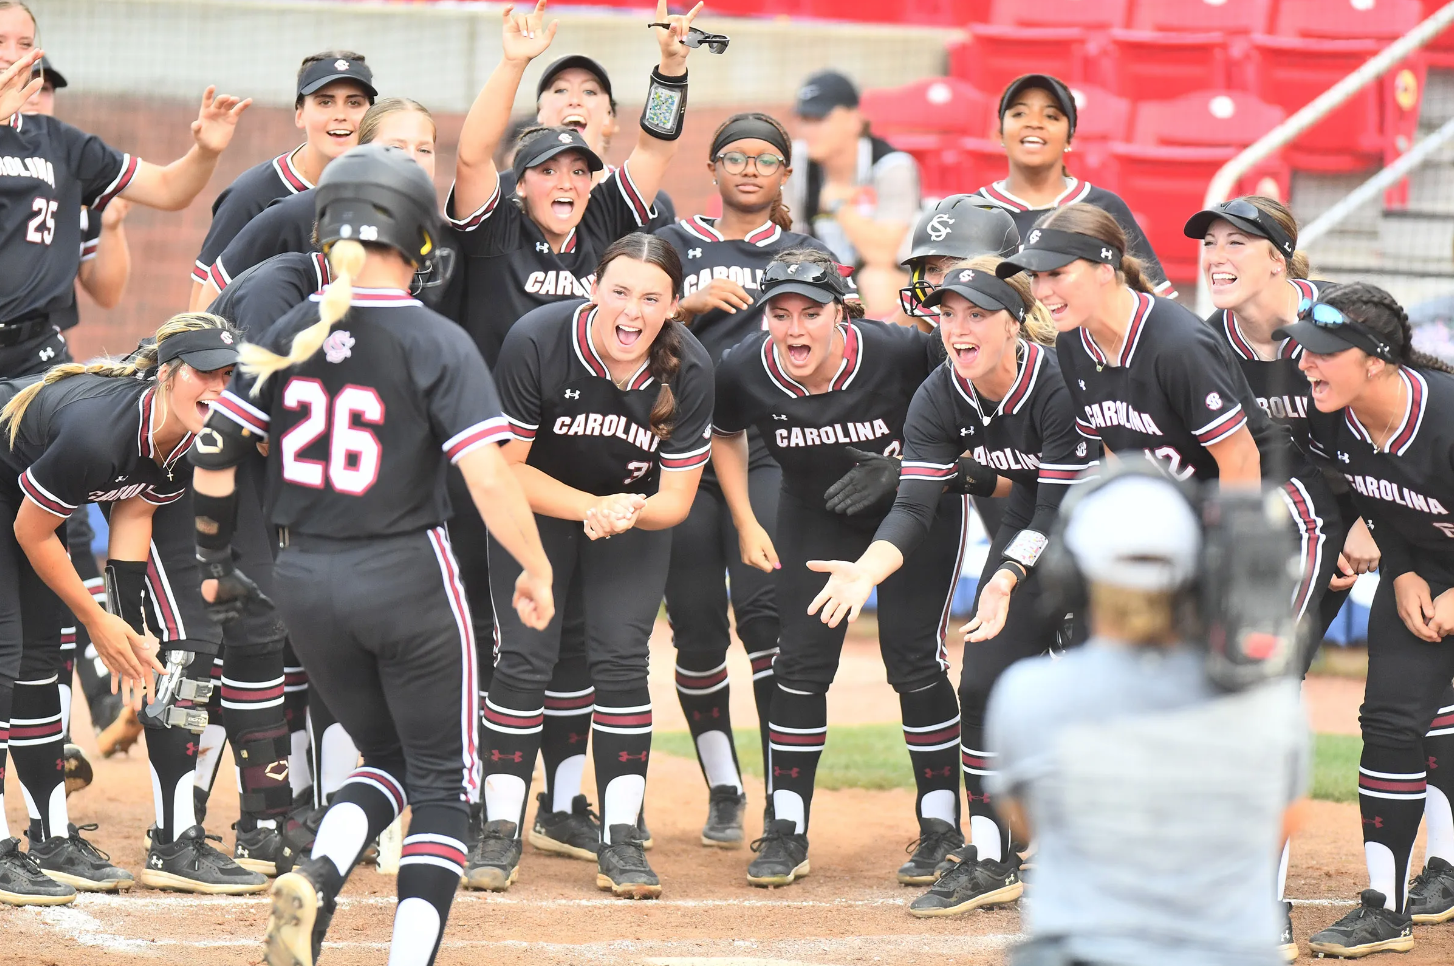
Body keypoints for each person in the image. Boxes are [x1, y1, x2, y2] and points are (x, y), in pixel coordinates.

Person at [194, 143, 553, 966]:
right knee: (443, 789)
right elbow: (490, 478)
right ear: (419, 238)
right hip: (405, 573)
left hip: (304, 580)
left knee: (387, 756)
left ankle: (318, 879)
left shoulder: (291, 328)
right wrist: (533, 565)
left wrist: (217, 560)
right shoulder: (436, 338)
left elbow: (214, 449)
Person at [806, 257, 1092, 912]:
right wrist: (868, 570)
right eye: (947, 313)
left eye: (977, 314)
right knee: (984, 683)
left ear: (1015, 324)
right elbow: (912, 507)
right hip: (1031, 525)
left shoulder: (1057, 383)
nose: (958, 328)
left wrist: (1008, 574)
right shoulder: (939, 393)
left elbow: (1060, 506)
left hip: (1099, 528)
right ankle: (994, 860)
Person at [711, 247, 963, 888]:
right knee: (799, 663)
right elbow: (725, 432)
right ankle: (785, 828)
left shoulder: (901, 351)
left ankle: (941, 828)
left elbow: (967, 424)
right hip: (814, 515)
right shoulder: (742, 367)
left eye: (812, 313)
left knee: (912, 659)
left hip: (911, 512)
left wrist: (904, 471)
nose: (796, 330)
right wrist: (745, 518)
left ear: (842, 312)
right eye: (780, 314)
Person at [470, 233, 711, 900]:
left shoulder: (689, 367)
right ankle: (497, 830)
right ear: (593, 290)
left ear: (672, 305)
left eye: (652, 298)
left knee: (621, 658)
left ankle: (623, 836)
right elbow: (506, 472)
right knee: (523, 656)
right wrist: (590, 507)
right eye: (620, 292)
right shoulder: (538, 339)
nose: (632, 312)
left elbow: (676, 500)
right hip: (539, 509)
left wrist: (616, 513)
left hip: (632, 517)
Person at [986, 468, 1307, 966]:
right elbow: (1283, 821)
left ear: (1069, 574)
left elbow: (1029, 822)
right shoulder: (1273, 703)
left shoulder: (1029, 696)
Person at [0, 312, 269, 903]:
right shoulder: (101, 431)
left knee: (43, 660)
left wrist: (128, 622)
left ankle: (51, 841)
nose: (221, 386)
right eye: (206, 373)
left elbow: (134, 512)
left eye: (230, 374)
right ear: (169, 376)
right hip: (14, 506)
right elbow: (32, 530)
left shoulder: (183, 435)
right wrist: (97, 620)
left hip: (31, 509)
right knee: (10, 654)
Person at [652, 110, 832, 847]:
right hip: (681, 454)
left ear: (786, 173)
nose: (751, 168)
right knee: (694, 630)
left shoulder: (805, 252)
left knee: (766, 620)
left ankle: (779, 795)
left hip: (766, 453)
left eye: (766, 158)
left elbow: (832, 350)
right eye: (735, 156)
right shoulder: (673, 245)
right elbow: (625, 333)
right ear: (713, 166)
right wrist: (683, 309)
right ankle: (723, 784)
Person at [1282, 284, 1454, 957]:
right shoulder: (1330, 418)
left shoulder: (1444, 419)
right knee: (1389, 720)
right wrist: (1407, 570)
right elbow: (1379, 502)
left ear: (1376, 360)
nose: (1306, 364)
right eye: (1303, 350)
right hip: (1423, 571)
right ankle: (1386, 907)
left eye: (1323, 353)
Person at [0, 10, 249, 376]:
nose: (12, 54)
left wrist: (205, 151)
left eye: (25, 43)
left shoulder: (60, 143)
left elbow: (168, 189)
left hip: (35, 355)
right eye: (0, 42)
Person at [1188, 196, 1375, 653]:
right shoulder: (1206, 344)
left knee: (1404, 690)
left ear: (1277, 258)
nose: (1217, 257)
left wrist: (1371, 523)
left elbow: (1400, 425)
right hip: (1292, 511)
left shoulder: (1342, 317)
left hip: (1385, 499)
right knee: (1265, 660)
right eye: (1211, 244)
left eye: (1237, 242)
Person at [187, 50, 374, 309]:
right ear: (300, 114)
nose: (340, 114)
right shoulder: (251, 196)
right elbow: (199, 308)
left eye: (354, 103)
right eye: (325, 102)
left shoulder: (384, 190)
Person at [969, 73, 1174, 299]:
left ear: (1069, 137)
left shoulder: (1105, 207)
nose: (1034, 123)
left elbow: (1157, 299)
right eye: (1019, 113)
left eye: (1051, 116)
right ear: (1000, 132)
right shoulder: (972, 211)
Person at [783, 69, 919, 319]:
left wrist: (838, 204)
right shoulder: (797, 163)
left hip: (885, 275)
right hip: (820, 274)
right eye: (804, 118)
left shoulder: (892, 166)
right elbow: (784, 236)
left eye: (820, 118)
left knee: (877, 280)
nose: (808, 129)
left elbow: (882, 255)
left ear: (855, 120)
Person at [895, 197, 1019, 329]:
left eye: (958, 268)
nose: (944, 283)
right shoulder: (918, 325)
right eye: (933, 269)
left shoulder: (1032, 341)